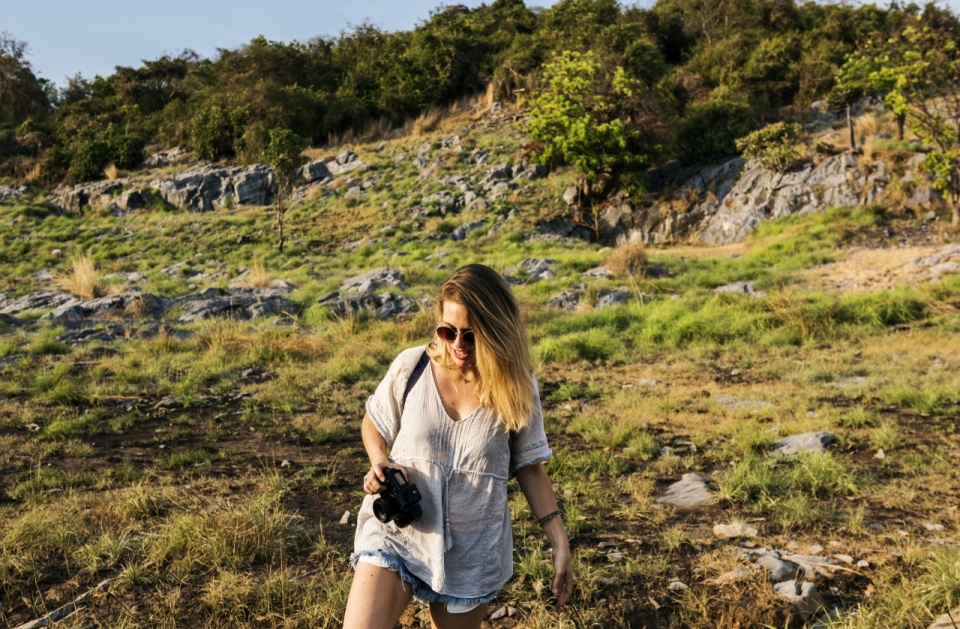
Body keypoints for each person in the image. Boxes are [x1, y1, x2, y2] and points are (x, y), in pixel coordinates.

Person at [343, 264, 573, 629]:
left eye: (471, 335)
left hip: (470, 551)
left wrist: (560, 543)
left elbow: (530, 468)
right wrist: (379, 460)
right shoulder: (413, 366)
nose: (458, 345)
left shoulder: (516, 388)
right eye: (448, 331)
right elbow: (373, 422)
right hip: (398, 532)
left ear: (496, 330)